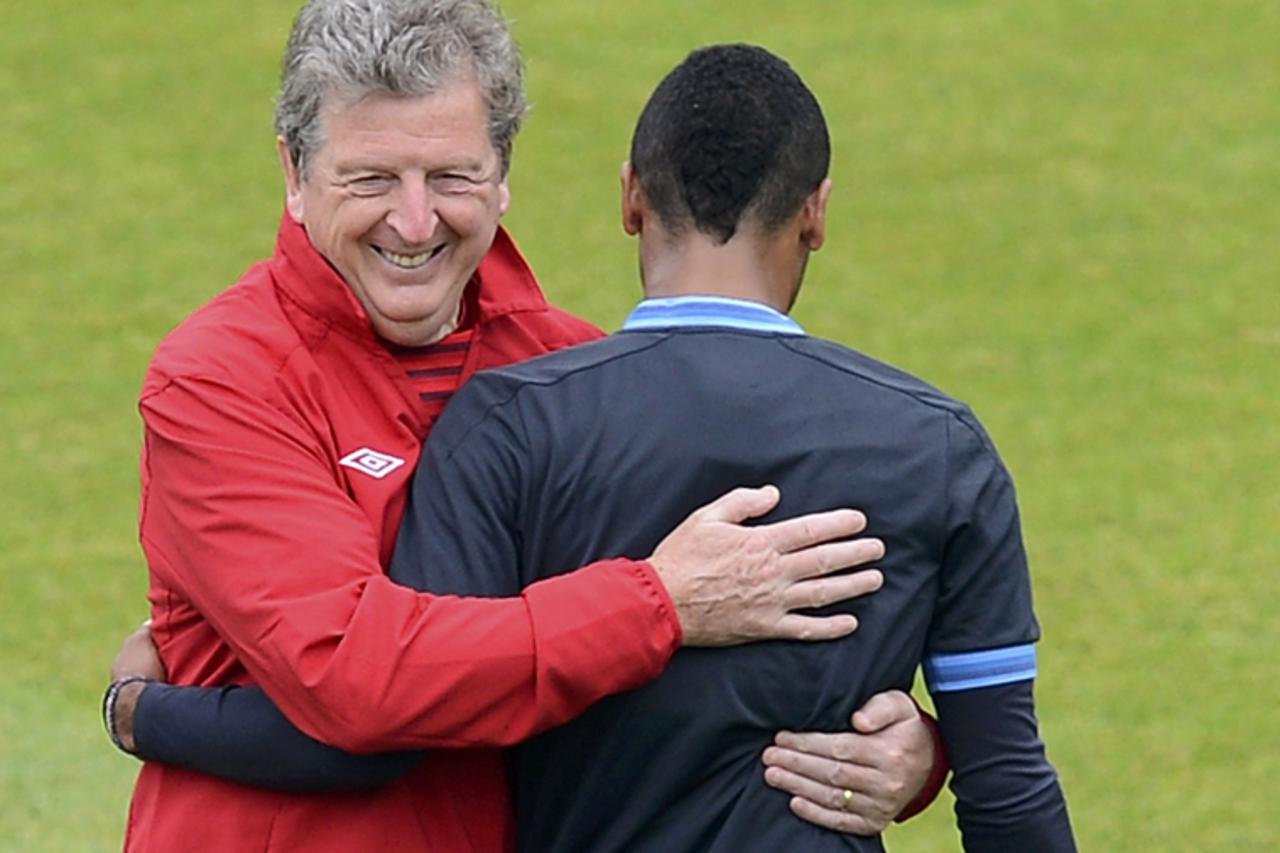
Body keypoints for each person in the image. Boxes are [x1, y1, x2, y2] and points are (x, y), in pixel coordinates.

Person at [105, 2, 945, 851]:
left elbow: (748, 617)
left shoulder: (571, 373)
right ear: (294, 173)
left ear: (503, 173)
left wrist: (903, 748)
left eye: (452, 177)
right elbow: (352, 674)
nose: (414, 221)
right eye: (370, 179)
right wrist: (654, 604)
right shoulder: (219, 380)